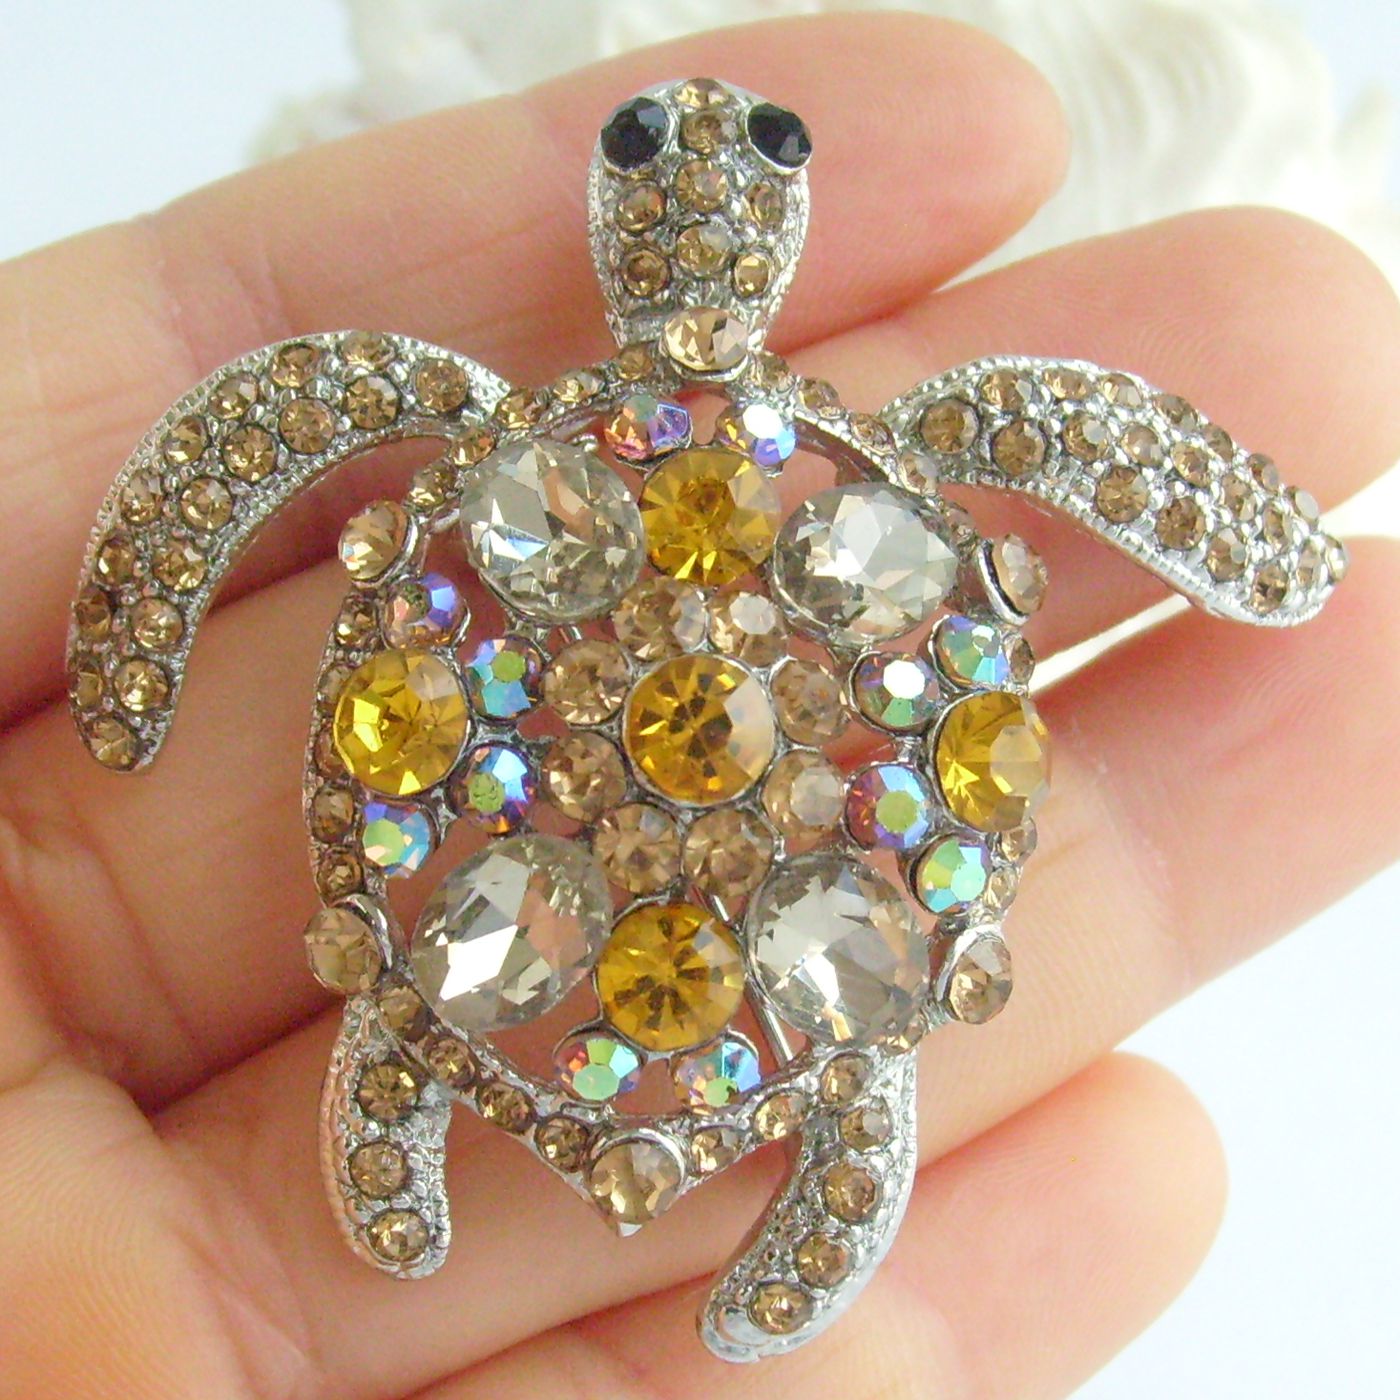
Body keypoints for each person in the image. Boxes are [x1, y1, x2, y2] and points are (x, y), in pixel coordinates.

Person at [0, 13, 1395, 1399]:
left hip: (674, 871)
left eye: (760, 148)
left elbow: (288, 410)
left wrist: (133, 673)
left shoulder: (471, 416)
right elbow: (267, 424)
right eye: (646, 145)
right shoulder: (863, 437)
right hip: (566, 841)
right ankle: (631, 1138)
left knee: (778, 1003)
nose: (705, 157)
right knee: (803, 1007)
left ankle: (615, 1137)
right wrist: (130, 648)